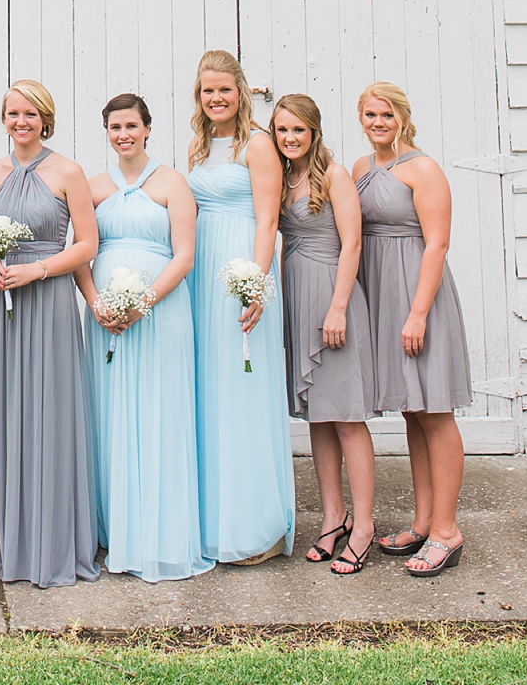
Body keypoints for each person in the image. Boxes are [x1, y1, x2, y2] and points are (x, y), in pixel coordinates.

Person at [75, 92, 210, 582]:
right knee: (109, 416)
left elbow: (184, 256)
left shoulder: (173, 182)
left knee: (158, 412)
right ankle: (114, 529)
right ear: (107, 133)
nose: (124, 134)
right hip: (105, 320)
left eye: (131, 125)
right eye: (115, 128)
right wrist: (96, 303)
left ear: (148, 128)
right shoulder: (91, 187)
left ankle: (158, 533)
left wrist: (144, 302)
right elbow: (81, 255)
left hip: (161, 316)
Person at [0, 80, 99, 588]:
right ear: (3, 119)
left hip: (47, 301)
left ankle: (53, 541)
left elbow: (87, 245)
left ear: (45, 118)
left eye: (30, 113)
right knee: (3, 413)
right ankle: (10, 538)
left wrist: (40, 270)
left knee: (50, 413)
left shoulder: (68, 171)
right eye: (13, 113)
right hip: (1, 302)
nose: (21, 121)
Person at [354, 80, 472, 578]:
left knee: (437, 411)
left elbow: (438, 245)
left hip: (417, 296)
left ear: (403, 116)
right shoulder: (361, 169)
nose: (378, 123)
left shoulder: (423, 169)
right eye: (369, 115)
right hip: (381, 295)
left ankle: (447, 530)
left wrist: (418, 312)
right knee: (413, 410)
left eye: (386, 115)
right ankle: (423, 521)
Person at [186, 49, 295, 564]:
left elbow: (268, 221)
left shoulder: (258, 146)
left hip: (241, 272)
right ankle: (213, 519)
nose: (216, 99)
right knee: (208, 391)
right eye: (208, 91)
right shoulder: (196, 147)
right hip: (200, 274)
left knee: (242, 389)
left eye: (224, 90)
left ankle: (256, 526)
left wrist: (255, 283)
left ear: (241, 92)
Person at [271, 94, 376, 576]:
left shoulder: (333, 174)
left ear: (314, 131)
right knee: (318, 415)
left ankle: (364, 526)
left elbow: (352, 241)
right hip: (296, 295)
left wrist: (338, 308)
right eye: (281, 130)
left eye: (298, 130)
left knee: (347, 416)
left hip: (333, 296)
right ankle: (333, 517)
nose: (289, 138)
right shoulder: (282, 175)